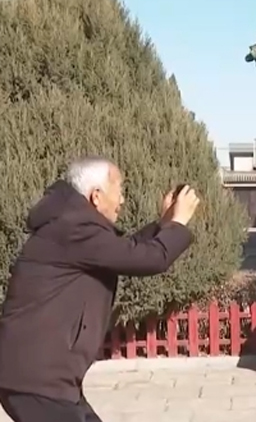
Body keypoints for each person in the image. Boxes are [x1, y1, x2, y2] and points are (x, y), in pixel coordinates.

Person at [0, 157, 200, 422]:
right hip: (36, 380)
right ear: (96, 196)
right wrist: (179, 222)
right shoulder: (74, 228)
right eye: (119, 190)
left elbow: (125, 251)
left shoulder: (73, 225)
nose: (122, 200)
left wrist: (164, 224)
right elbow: (151, 259)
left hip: (46, 380)